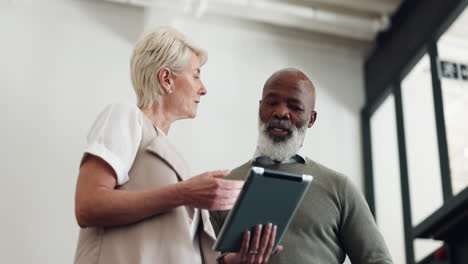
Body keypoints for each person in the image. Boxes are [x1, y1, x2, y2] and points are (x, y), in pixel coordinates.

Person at [73, 26, 266, 264]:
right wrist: (184, 193)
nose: (203, 89)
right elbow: (88, 205)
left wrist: (233, 261)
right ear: (166, 79)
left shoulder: (170, 156)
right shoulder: (125, 116)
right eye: (196, 75)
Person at [211, 68, 393, 264]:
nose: (280, 112)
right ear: (260, 107)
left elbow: (378, 261)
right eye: (272, 103)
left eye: (295, 107)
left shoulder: (339, 187)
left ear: (311, 119)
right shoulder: (221, 188)